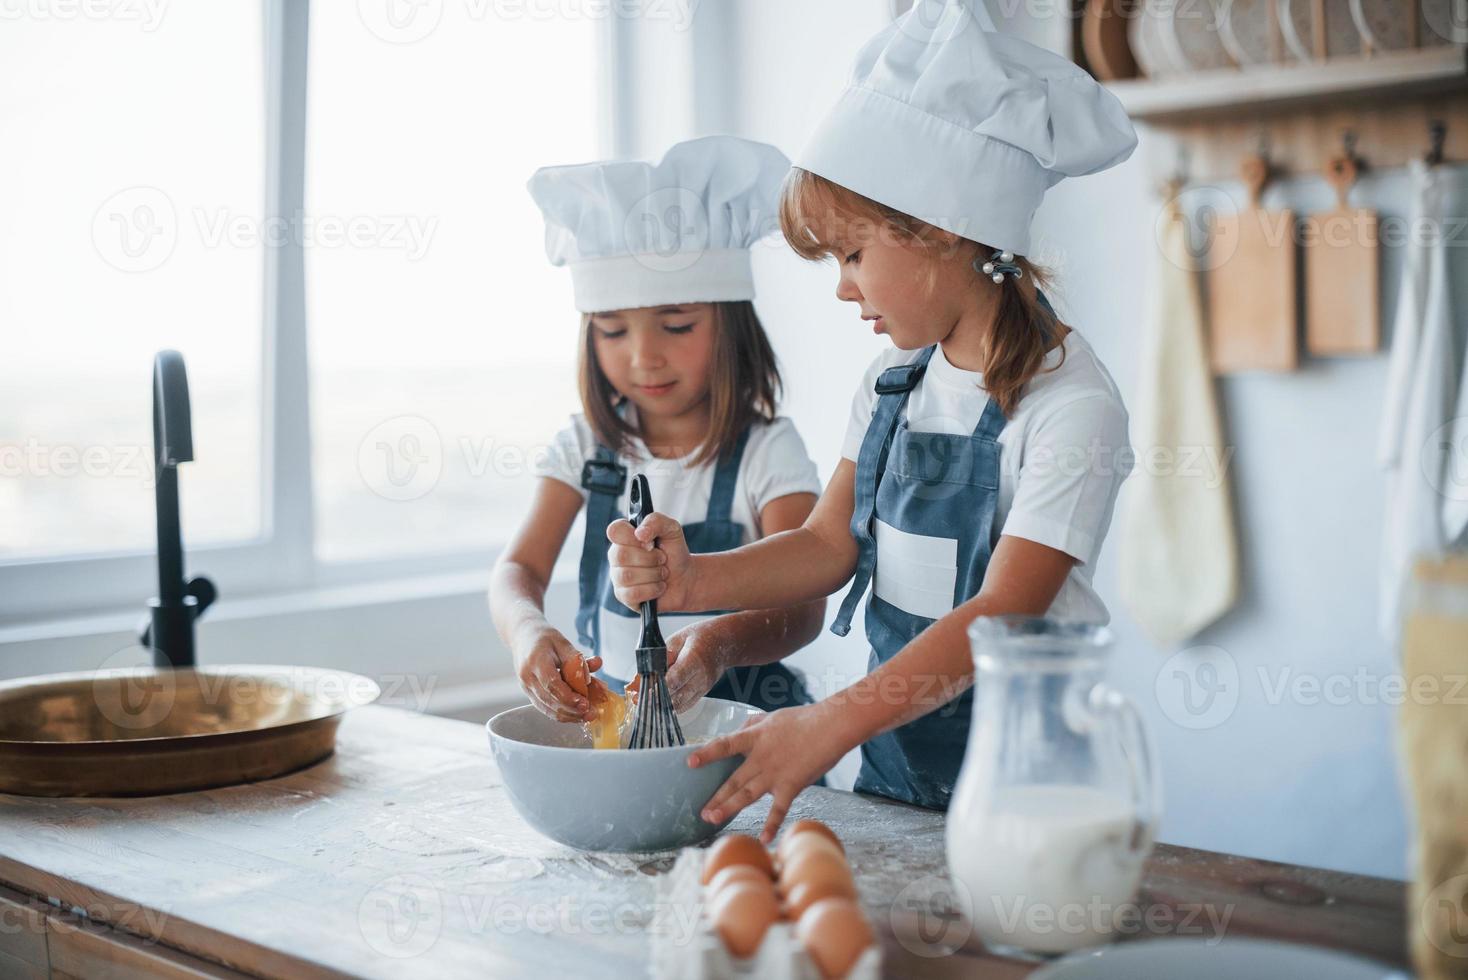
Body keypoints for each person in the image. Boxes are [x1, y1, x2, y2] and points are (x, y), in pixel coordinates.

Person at [607, 1, 1139, 840]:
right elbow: (828, 546)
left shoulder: (1072, 408)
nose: (843, 288)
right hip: (894, 770)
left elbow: (1000, 614)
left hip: (1031, 786)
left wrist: (825, 726)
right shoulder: (893, 384)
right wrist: (690, 584)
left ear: (942, 230)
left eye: (853, 255)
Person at [490, 136, 826, 732]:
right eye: (613, 331)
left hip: (749, 733)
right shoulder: (585, 447)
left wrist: (717, 644)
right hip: (624, 727)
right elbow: (518, 569)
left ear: (732, 326)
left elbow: (803, 605)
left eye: (676, 325)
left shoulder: (767, 451)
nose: (644, 358)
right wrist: (527, 629)